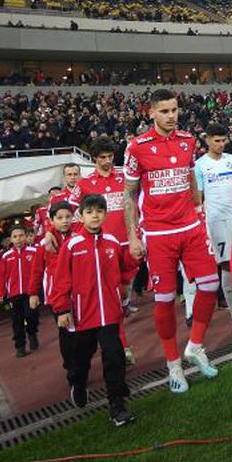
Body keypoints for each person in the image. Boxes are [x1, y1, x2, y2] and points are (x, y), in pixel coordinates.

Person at [123, 89, 221, 393]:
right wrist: (132, 236)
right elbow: (129, 194)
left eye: (174, 110)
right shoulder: (137, 147)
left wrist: (199, 210)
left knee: (210, 284)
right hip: (158, 233)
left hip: (190, 225)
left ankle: (195, 346)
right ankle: (173, 364)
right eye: (164, 111)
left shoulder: (188, 140)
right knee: (165, 299)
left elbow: (191, 177)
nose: (171, 116)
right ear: (151, 112)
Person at [50, 194, 135, 426]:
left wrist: (135, 259)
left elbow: (124, 269)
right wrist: (62, 309)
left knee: (115, 356)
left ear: (105, 214)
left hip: (109, 314)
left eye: (99, 211)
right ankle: (77, 383)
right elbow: (61, 280)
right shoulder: (72, 245)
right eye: (89, 212)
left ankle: (117, 405)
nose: (95, 216)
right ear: (81, 216)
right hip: (83, 316)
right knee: (80, 359)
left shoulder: (113, 242)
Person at [77, 136, 138, 363]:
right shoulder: (85, 183)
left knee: (124, 294)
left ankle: (120, 320)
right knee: (113, 296)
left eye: (110, 156)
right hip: (103, 249)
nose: (107, 161)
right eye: (102, 157)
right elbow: (71, 210)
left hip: (128, 244)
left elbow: (138, 201)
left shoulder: (125, 177)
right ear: (94, 158)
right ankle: (122, 345)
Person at [193, 122, 232, 335]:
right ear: (207, 140)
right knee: (227, 265)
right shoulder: (199, 166)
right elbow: (198, 197)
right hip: (215, 222)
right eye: (217, 141)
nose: (221, 144)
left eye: (224, 140)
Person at [31, 201, 79, 371]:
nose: (64, 221)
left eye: (68, 217)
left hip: (79, 293)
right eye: (59, 218)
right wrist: (33, 293)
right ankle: (71, 366)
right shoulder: (44, 244)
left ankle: (79, 364)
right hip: (57, 296)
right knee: (66, 332)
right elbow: (37, 270)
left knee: (81, 332)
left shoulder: (78, 238)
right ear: (51, 220)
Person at [0, 225, 40, 357]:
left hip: (30, 293)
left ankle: (32, 333)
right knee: (17, 321)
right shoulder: (6, 256)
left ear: (26, 237)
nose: (18, 239)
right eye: (15, 237)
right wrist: (0, 293)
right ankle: (20, 346)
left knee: (31, 315)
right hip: (13, 294)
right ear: (10, 239)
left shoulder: (34, 252)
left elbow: (39, 271)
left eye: (21, 236)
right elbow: (0, 276)